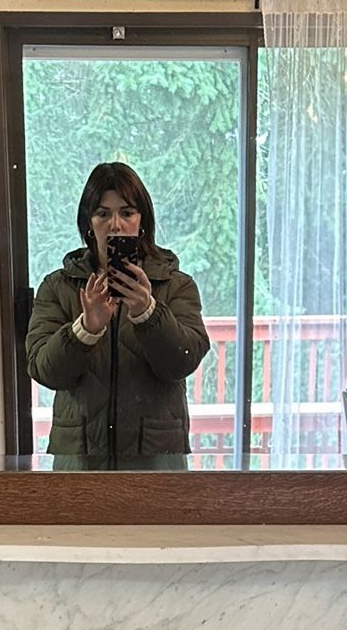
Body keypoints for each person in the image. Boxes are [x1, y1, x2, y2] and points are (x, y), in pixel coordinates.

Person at [25, 163, 211, 470]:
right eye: (102, 213)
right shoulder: (58, 287)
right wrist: (85, 329)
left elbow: (183, 361)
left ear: (143, 221)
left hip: (156, 457)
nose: (115, 224)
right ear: (88, 223)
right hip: (80, 459)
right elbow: (45, 370)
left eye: (127, 213)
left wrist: (148, 313)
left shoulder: (176, 285)